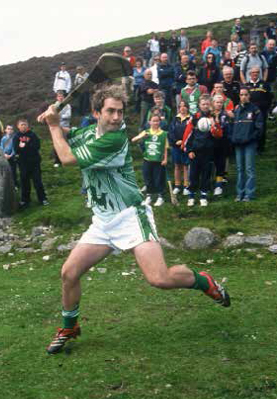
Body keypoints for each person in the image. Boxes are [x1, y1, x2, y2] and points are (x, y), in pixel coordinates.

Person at [38, 84, 230, 354]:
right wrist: (53, 120)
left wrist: (53, 127)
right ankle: (70, 326)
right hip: (103, 221)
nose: (117, 118)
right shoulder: (89, 132)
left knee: (159, 279)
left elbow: (67, 157)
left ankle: (204, 282)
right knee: (69, 273)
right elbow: (70, 134)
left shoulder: (115, 139)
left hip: (130, 215)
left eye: (120, 112)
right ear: (96, 113)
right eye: (110, 112)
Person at [182, 94, 223, 207]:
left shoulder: (213, 117)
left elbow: (218, 135)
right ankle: (191, 196)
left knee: (206, 175)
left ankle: (203, 196)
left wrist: (214, 124)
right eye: (203, 104)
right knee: (193, 176)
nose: (205, 106)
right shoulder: (194, 117)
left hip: (208, 152)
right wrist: (189, 150)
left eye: (207, 104)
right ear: (199, 105)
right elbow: (188, 135)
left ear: (210, 105)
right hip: (195, 153)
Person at [230, 87, 263, 202]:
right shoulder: (237, 109)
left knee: (249, 169)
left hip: (249, 143)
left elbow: (259, 128)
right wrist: (233, 138)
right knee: (240, 169)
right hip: (238, 144)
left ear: (249, 96)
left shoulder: (255, 110)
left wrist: (250, 138)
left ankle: (249, 194)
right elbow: (234, 127)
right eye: (241, 95)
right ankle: (240, 193)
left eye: (245, 94)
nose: (243, 97)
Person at [132, 113, 168, 207]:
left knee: (159, 179)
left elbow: (165, 148)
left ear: (160, 122)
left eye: (157, 121)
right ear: (149, 122)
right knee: (148, 178)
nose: (155, 123)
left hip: (158, 161)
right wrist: (142, 137)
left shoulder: (163, 134)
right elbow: (133, 140)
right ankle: (149, 195)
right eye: (153, 121)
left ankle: (160, 196)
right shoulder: (146, 132)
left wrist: (165, 159)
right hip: (148, 160)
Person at [13, 118, 48, 208]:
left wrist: (25, 146)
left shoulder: (32, 135)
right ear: (18, 126)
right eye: (21, 125)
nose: (23, 126)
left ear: (27, 125)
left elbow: (37, 146)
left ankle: (43, 199)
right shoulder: (16, 136)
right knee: (25, 182)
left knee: (37, 181)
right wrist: (21, 148)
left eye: (25, 124)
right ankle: (25, 200)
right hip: (23, 163)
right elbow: (16, 149)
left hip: (34, 162)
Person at [246, 67, 273, 153]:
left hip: (262, 111)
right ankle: (250, 147)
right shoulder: (246, 85)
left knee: (261, 129)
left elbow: (270, 97)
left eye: (257, 72)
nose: (255, 74)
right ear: (250, 74)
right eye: (253, 72)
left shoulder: (265, 85)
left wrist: (266, 107)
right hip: (249, 112)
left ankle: (260, 148)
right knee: (250, 128)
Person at [211, 94, 232, 196]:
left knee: (220, 164)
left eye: (220, 102)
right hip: (210, 143)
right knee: (209, 164)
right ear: (213, 103)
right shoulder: (209, 114)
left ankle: (218, 185)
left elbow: (227, 129)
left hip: (222, 143)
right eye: (216, 102)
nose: (218, 104)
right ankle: (208, 183)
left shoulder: (225, 115)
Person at [168, 100, 191, 195]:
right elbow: (171, 132)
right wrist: (175, 141)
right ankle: (177, 185)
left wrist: (184, 141)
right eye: (180, 106)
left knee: (186, 166)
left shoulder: (190, 119)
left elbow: (191, 132)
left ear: (187, 107)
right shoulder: (175, 119)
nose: (182, 108)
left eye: (184, 106)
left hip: (186, 146)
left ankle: (186, 185)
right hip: (176, 146)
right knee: (177, 165)